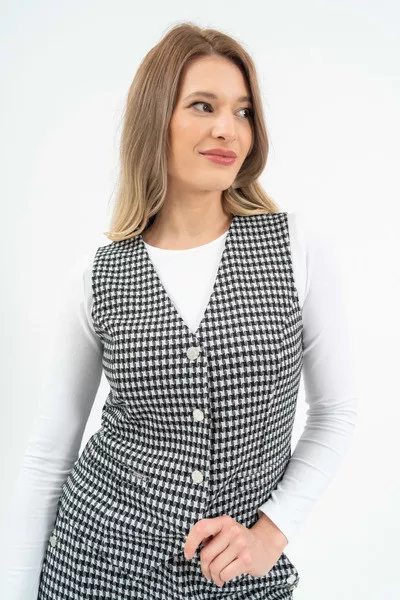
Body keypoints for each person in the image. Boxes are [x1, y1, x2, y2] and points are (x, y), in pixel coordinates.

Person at [0, 22, 357, 600]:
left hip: (239, 581)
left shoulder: (297, 249)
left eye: (243, 111)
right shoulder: (96, 276)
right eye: (203, 105)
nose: (227, 129)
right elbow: (47, 459)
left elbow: (336, 412)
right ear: (155, 118)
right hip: (95, 568)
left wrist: (271, 534)